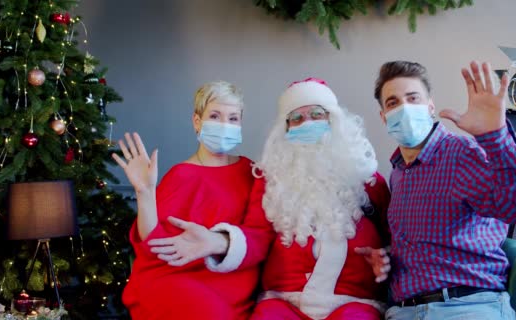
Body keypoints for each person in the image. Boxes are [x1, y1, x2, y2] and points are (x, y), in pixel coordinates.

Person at [148, 78, 392, 320]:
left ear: (334, 120)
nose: (307, 123)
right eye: (296, 118)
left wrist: (386, 256)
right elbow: (257, 235)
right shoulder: (270, 179)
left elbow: (398, 235)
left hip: (353, 301)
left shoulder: (367, 178)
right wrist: (217, 242)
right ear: (285, 130)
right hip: (284, 301)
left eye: (317, 114)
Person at [372, 60, 516, 320]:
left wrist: (496, 137)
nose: (404, 108)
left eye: (413, 98)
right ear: (384, 116)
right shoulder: (398, 173)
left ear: (430, 106)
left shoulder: (462, 154)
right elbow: (421, 243)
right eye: (393, 103)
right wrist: (385, 256)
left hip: (467, 305)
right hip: (404, 310)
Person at [113, 81, 259, 319]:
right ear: (197, 121)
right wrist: (145, 192)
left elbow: (260, 234)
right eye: (215, 115)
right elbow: (153, 244)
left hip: (236, 282)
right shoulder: (182, 175)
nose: (225, 125)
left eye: (233, 118)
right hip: (179, 280)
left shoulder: (251, 171)